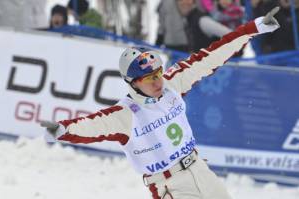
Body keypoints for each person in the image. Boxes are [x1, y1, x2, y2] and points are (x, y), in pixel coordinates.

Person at [41, 7, 280, 199]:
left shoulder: (173, 84)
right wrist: (62, 129)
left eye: (158, 73)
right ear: (132, 82)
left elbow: (210, 56)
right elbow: (91, 125)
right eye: (148, 78)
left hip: (200, 171)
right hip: (170, 185)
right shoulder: (125, 114)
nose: (157, 81)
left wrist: (253, 28)